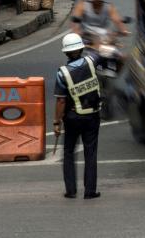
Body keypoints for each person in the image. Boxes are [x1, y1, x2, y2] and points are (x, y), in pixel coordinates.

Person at [53, 33, 103, 199]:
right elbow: (98, 52)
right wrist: (89, 44)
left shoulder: (62, 73)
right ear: (81, 48)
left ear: (66, 53)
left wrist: (56, 122)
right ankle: (90, 191)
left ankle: (71, 190)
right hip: (92, 115)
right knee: (91, 153)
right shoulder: (91, 61)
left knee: (68, 152)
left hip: (72, 117)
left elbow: (61, 101)